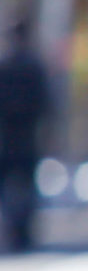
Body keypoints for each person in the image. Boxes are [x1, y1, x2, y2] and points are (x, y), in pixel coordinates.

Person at [0, 14, 54, 252]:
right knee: (25, 184)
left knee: (16, 184)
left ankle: (19, 231)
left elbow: (45, 103)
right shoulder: (32, 66)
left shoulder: (11, 66)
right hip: (22, 136)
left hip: (13, 136)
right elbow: (47, 104)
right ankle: (22, 231)